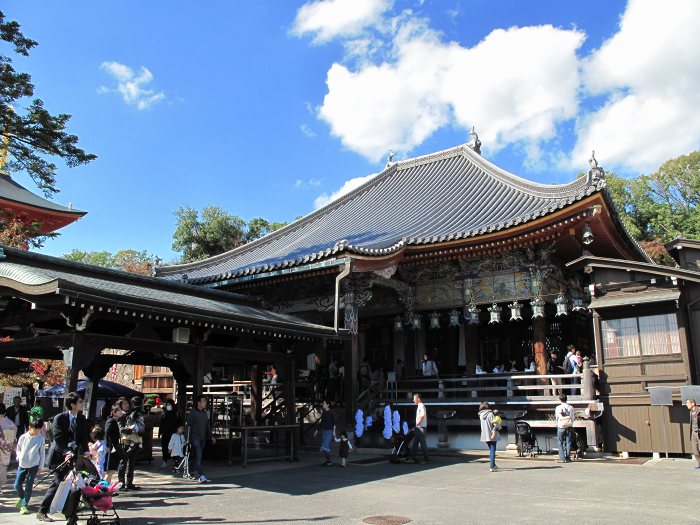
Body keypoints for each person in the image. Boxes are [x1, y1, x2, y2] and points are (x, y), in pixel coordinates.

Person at [36, 392, 89, 522]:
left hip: (74, 455)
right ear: (72, 404)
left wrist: (86, 451)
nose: (82, 404)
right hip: (59, 455)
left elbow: (83, 436)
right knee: (58, 482)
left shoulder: (81, 418)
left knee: (73, 484)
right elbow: (58, 438)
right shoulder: (59, 418)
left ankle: (69, 512)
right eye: (80, 402)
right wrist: (66, 451)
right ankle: (42, 511)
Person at [14, 418, 45, 515]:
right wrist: (18, 457)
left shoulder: (41, 438)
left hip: (33, 465)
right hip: (22, 464)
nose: (37, 432)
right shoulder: (23, 437)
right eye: (35, 430)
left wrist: (41, 466)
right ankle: (23, 498)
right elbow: (18, 448)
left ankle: (24, 505)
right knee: (17, 485)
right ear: (29, 428)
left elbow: (42, 453)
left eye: (39, 430)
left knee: (29, 485)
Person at [187, 394, 215, 483]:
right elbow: (188, 426)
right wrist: (186, 438)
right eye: (203, 401)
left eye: (205, 401)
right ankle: (201, 475)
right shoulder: (193, 412)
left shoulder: (204, 413)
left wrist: (211, 436)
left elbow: (207, 426)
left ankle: (190, 470)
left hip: (202, 437)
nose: (205, 403)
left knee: (197, 457)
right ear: (198, 403)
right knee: (199, 456)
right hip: (195, 436)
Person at [117, 397, 144, 491]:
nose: (127, 405)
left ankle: (129, 482)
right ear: (120, 406)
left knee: (131, 462)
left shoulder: (131, 414)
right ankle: (121, 483)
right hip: (125, 441)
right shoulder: (121, 416)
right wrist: (130, 429)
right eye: (124, 404)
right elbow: (120, 429)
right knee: (123, 462)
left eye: (127, 403)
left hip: (133, 440)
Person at [0, 403, 18, 495]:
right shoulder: (11, 424)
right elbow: (13, 436)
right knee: (2, 468)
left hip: (4, 447)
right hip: (5, 449)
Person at [158, 399, 181, 469]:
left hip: (174, 434)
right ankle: (165, 461)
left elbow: (179, 423)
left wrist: (180, 432)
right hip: (165, 434)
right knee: (165, 448)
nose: (168, 406)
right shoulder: (164, 414)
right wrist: (160, 433)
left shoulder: (176, 413)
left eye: (169, 405)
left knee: (175, 449)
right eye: (167, 405)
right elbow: (161, 424)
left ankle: (175, 462)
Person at [104, 404, 124, 483]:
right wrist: (108, 445)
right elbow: (107, 433)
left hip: (112, 447)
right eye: (118, 410)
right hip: (112, 448)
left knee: (111, 471)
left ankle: (106, 489)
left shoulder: (114, 421)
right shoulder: (111, 421)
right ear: (113, 412)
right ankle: (104, 489)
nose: (120, 412)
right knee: (110, 471)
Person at [406, 393, 429, 464]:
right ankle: (412, 458)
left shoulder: (421, 405)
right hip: (419, 427)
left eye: (414, 399)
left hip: (420, 427)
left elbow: (422, 415)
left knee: (422, 444)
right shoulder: (419, 406)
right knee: (415, 443)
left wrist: (417, 424)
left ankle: (426, 459)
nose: (413, 400)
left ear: (418, 399)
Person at [479, 402, 499, 472]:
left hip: (485, 434)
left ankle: (493, 464)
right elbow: (495, 424)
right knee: (493, 450)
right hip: (492, 433)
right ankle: (492, 466)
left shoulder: (481, 415)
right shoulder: (490, 414)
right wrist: (494, 433)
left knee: (491, 449)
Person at [555, 394, 575, 463]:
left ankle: (562, 458)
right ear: (566, 399)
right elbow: (572, 417)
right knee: (568, 442)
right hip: (569, 426)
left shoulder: (558, 407)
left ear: (560, 400)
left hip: (561, 426)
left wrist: (557, 424)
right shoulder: (571, 407)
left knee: (560, 442)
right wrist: (571, 423)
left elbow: (557, 417)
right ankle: (568, 457)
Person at [318, 400, 336, 466]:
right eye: (323, 403)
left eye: (324, 403)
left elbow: (334, 423)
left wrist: (334, 431)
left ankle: (329, 461)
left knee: (325, 445)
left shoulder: (331, 412)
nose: (323, 404)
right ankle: (328, 461)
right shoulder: (324, 413)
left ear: (328, 405)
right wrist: (317, 430)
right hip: (324, 431)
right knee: (325, 447)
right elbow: (321, 422)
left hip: (329, 431)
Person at [686, 398, 700, 469]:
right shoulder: (691, 412)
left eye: (688, 403)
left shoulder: (699, 410)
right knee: (695, 450)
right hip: (693, 432)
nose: (687, 405)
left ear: (693, 403)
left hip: (699, 432)